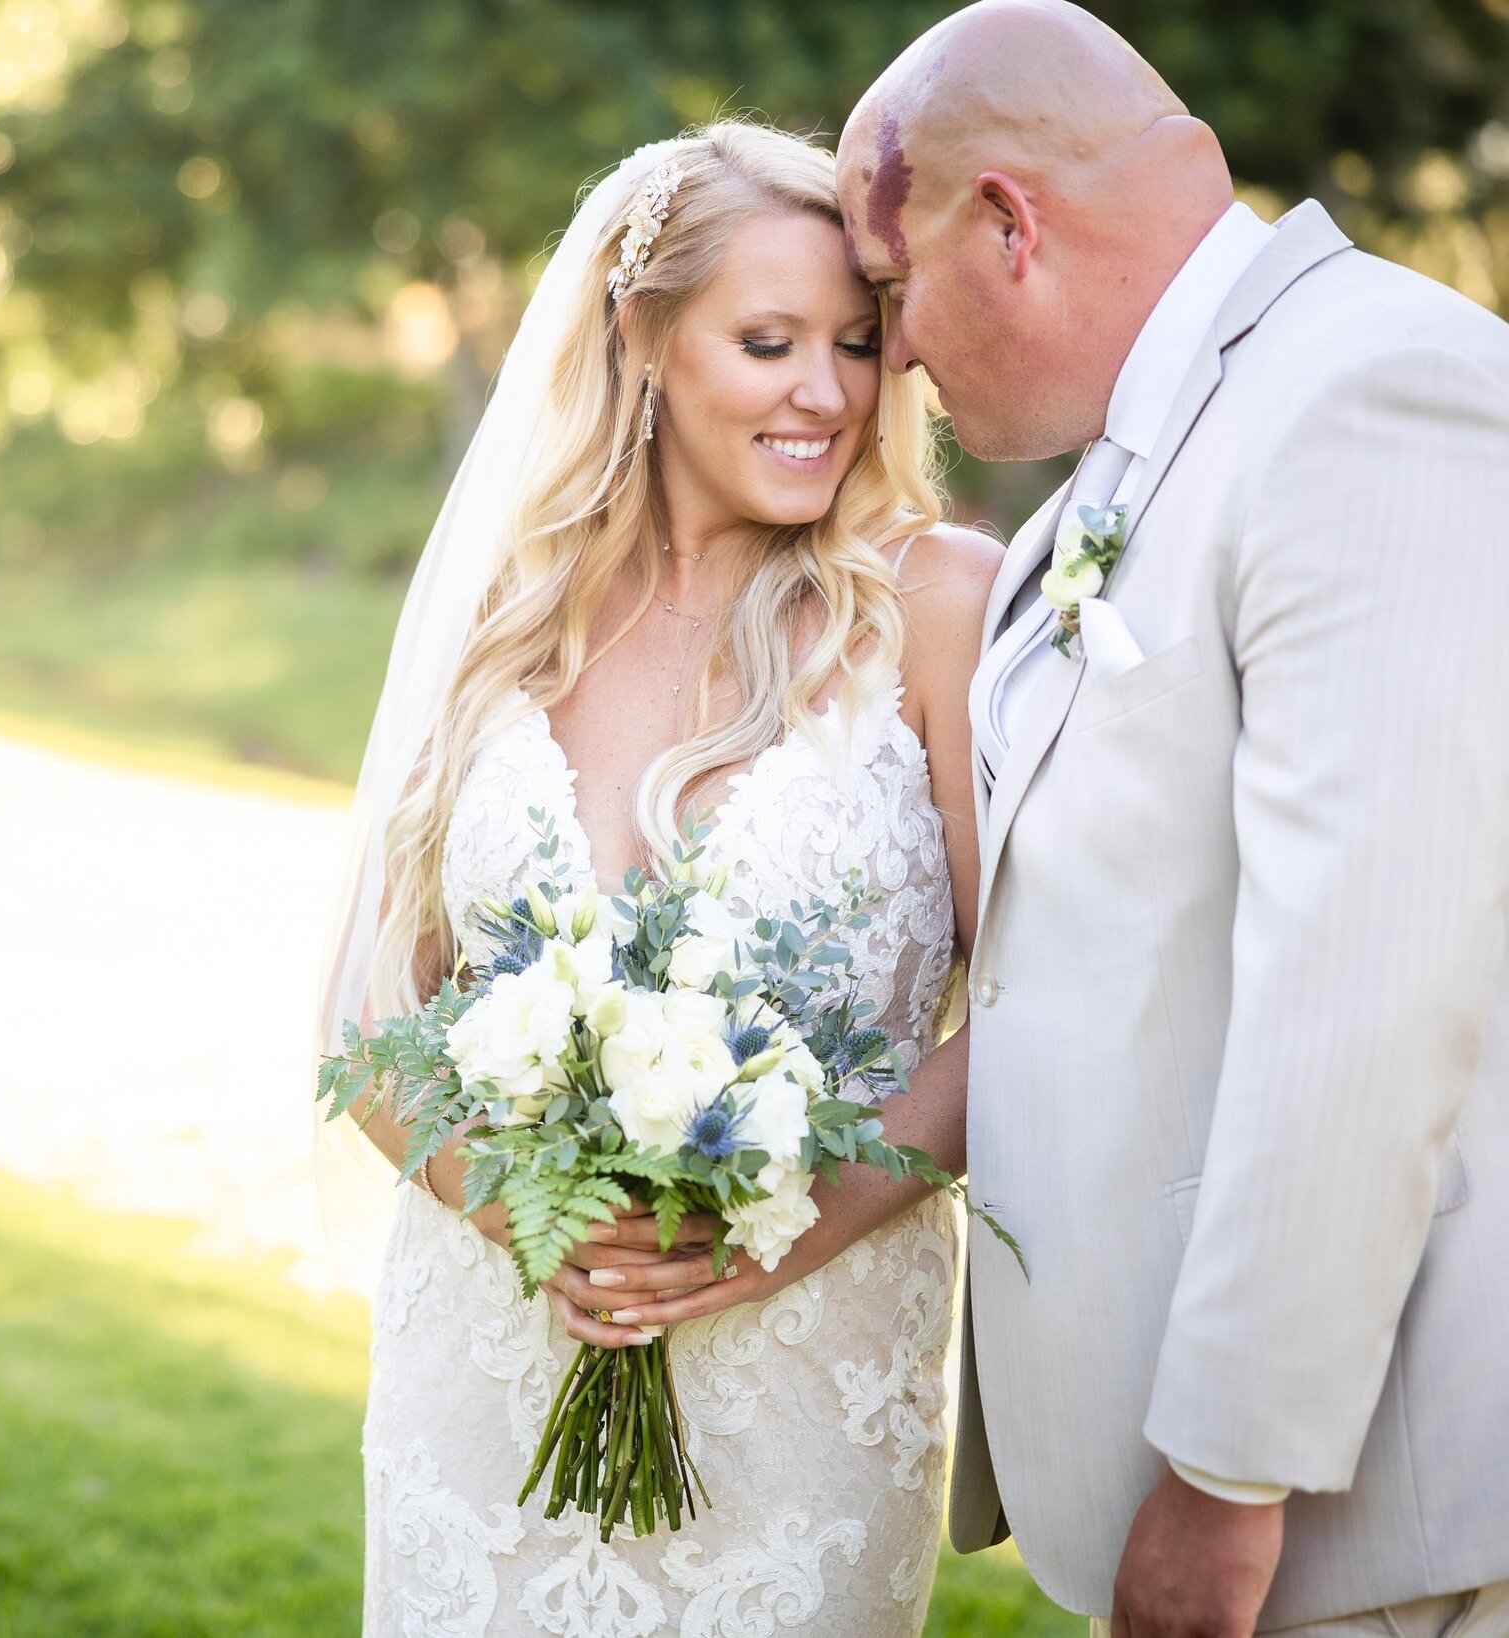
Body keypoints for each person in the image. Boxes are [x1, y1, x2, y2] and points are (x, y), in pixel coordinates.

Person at [817, 3, 1509, 1634]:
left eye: (890, 284)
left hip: (1358, 1507)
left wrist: (1226, 1472)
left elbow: (1368, 982)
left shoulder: (1374, 393)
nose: (893, 350)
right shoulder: (1151, 451)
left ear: (1007, 223)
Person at [317, 121, 1001, 1633]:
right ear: (642, 336)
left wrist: (780, 1228)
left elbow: (1033, 1005)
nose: (824, 391)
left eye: (859, 343)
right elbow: (365, 1017)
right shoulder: (500, 625)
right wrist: (526, 1216)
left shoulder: (941, 610)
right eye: (768, 342)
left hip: (806, 1388)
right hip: (490, 1369)